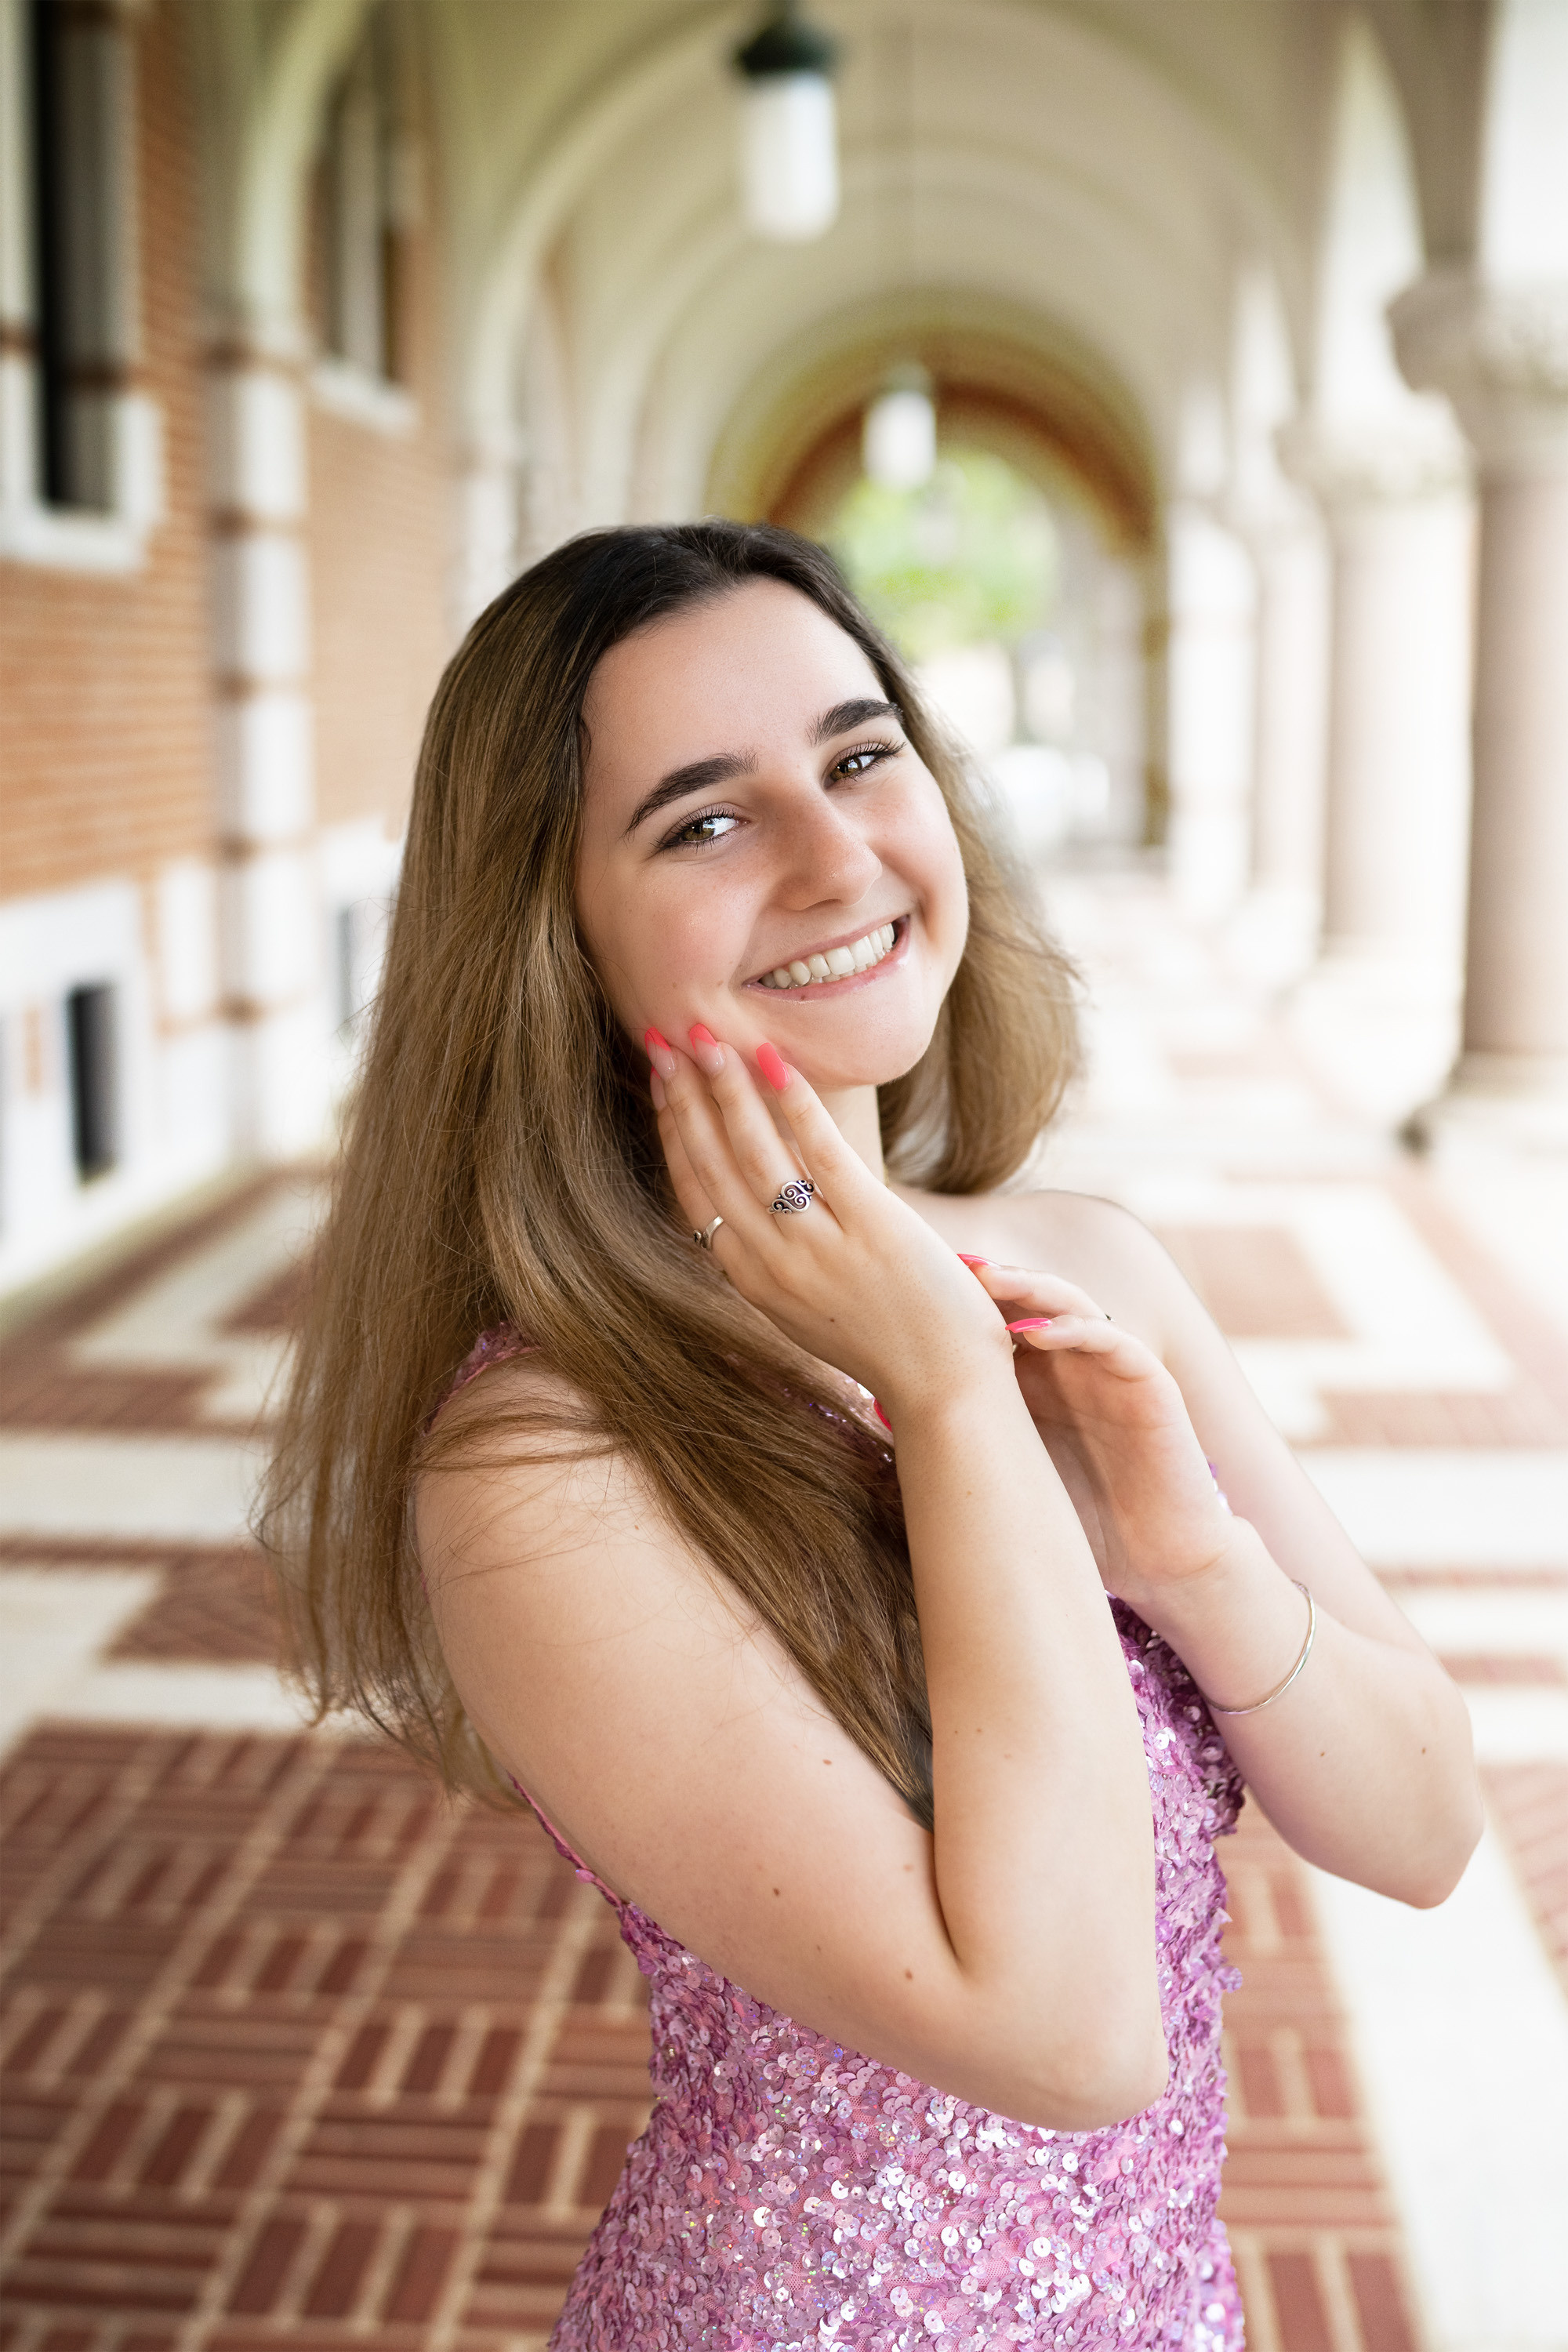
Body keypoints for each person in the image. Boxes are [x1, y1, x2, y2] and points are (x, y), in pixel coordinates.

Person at [263, 521, 1481, 2350]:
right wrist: (944, 1390)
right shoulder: (542, 1465)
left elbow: (1424, 1827)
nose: (839, 858)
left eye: (857, 756)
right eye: (704, 817)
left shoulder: (1087, 1266)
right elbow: (1064, 2035)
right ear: (555, 938)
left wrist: (1192, 1566)